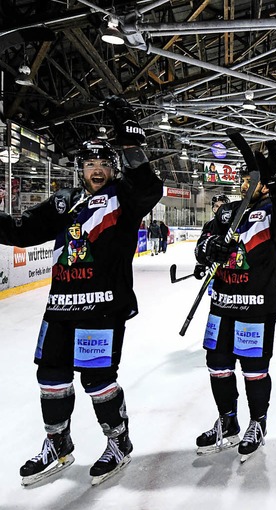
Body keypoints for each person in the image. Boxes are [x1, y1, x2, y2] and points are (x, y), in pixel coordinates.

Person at [0, 96, 162, 486]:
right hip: (60, 308)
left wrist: (130, 143)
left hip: (102, 308)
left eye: (105, 164)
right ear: (81, 169)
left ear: (114, 167)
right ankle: (58, 443)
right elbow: (22, 231)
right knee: (50, 377)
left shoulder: (124, 196)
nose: (97, 170)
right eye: (90, 164)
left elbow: (149, 188)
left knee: (97, 380)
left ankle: (118, 443)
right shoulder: (64, 202)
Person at [193, 140, 276, 462]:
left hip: (256, 306)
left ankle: (258, 422)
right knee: (217, 366)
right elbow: (203, 244)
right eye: (244, 179)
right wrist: (209, 249)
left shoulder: (275, 212)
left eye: (254, 180)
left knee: (254, 370)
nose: (247, 184)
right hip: (222, 305)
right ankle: (228, 422)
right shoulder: (227, 212)